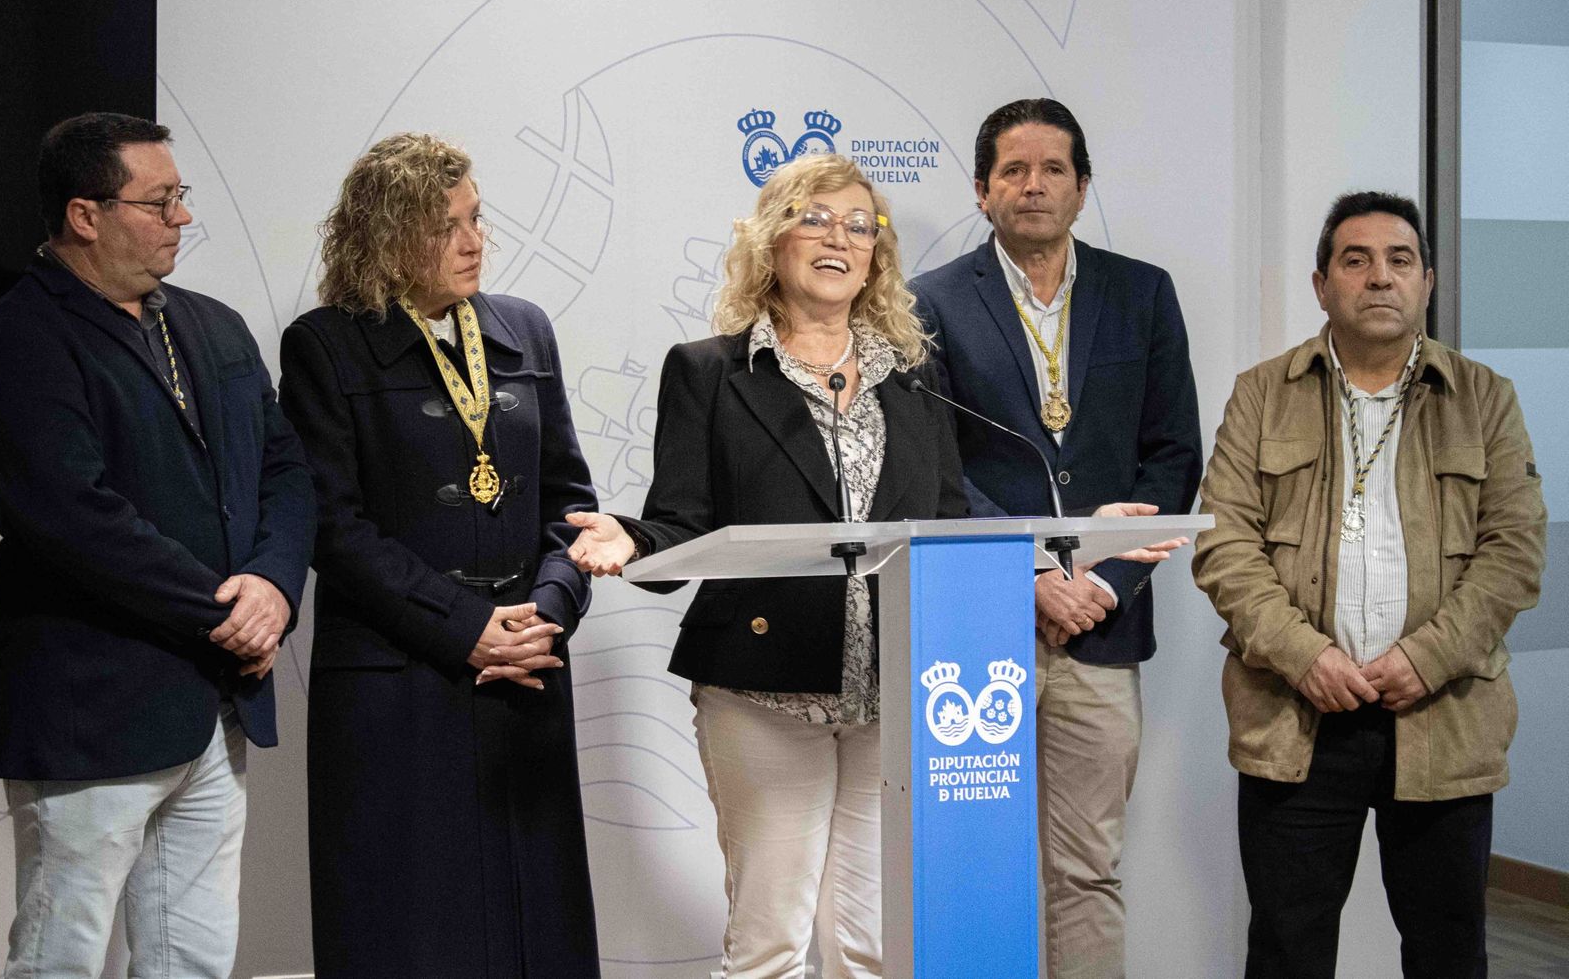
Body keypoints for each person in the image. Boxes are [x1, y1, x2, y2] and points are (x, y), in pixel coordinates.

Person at [564, 153, 966, 978]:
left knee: (867, 946)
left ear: (877, 257)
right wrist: (634, 541)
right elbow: (684, 519)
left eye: (860, 225)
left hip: (891, 691)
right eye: (815, 218)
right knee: (772, 942)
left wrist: (1052, 554)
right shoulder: (711, 372)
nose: (839, 237)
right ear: (774, 241)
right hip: (763, 690)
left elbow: (948, 521)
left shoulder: (918, 379)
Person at [0, 112, 316, 977]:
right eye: (160, 201)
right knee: (63, 953)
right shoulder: (13, 338)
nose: (182, 218)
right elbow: (72, 517)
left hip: (216, 704)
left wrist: (272, 588)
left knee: (195, 955)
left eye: (181, 197)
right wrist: (226, 613)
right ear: (86, 215)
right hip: (92, 707)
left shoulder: (215, 326)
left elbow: (286, 471)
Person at [1193, 192, 1546, 979]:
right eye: (1356, 261)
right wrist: (1303, 655)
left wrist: (1428, 656)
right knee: (1288, 949)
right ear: (1322, 284)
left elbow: (1514, 552)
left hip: (1444, 716)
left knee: (1448, 950)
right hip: (1295, 720)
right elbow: (1224, 544)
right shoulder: (1262, 393)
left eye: (1399, 261)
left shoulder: (1485, 399)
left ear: (1427, 281)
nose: (1379, 278)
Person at [278, 132, 600, 978]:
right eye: (443, 226)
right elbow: (332, 527)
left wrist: (549, 612)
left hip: (526, 667)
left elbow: (572, 505)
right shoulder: (325, 344)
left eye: (476, 217)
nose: (473, 240)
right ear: (385, 239)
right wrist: (467, 626)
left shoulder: (524, 328)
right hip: (399, 677)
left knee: (533, 929)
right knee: (410, 930)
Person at [910, 97, 1203, 978]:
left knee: (1086, 870)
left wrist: (1104, 583)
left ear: (1082, 188)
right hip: (976, 629)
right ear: (980, 189)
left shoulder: (1142, 292)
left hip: (1104, 627)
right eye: (1013, 170)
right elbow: (933, 468)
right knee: (964, 866)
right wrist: (1030, 574)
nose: (1033, 185)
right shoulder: (927, 303)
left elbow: (1173, 454)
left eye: (1053, 170)